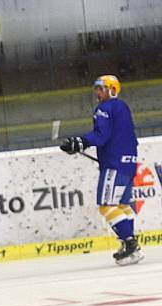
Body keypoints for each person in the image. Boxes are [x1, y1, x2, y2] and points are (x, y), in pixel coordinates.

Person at [60, 74, 143, 266]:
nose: (98, 92)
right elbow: (122, 136)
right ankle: (128, 245)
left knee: (106, 205)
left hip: (114, 165)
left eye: (102, 88)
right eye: (97, 89)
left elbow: (101, 135)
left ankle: (131, 245)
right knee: (123, 205)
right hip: (129, 163)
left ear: (112, 89)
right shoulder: (123, 107)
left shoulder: (104, 108)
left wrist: (80, 142)